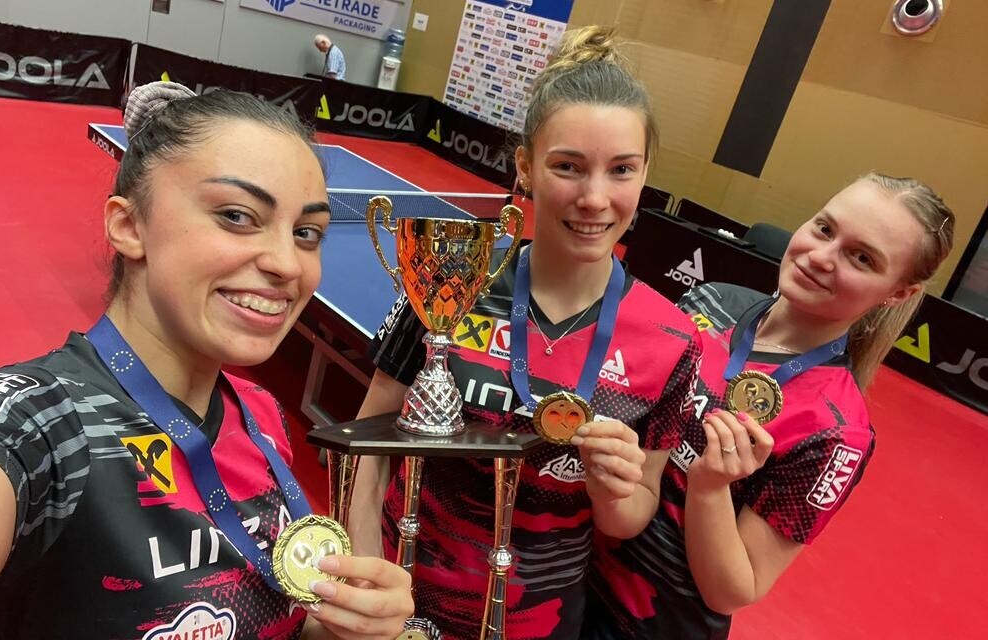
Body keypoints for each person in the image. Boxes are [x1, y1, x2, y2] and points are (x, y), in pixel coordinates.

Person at [0, 82, 413, 639]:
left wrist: (343, 628)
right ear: (129, 226)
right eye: (236, 216)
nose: (287, 264)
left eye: (306, 233)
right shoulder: (26, 429)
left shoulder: (262, 416)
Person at [349, 26, 703, 640]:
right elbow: (368, 444)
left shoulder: (673, 340)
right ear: (526, 167)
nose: (595, 198)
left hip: (540, 620)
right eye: (568, 166)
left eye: (621, 169)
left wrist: (614, 488)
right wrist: (368, 586)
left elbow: (630, 515)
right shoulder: (450, 281)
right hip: (402, 598)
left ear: (646, 174)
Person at [585, 174, 955, 638]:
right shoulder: (709, 301)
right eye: (824, 229)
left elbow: (731, 591)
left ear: (898, 292)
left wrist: (710, 488)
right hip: (563, 569)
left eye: (861, 258)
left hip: (643, 626)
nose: (821, 257)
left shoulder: (837, 430)